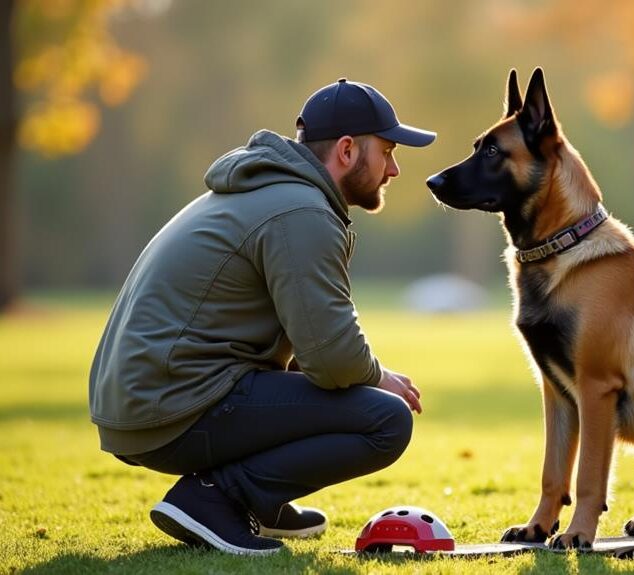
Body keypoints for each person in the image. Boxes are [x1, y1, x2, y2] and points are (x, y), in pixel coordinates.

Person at [88, 78, 436, 555]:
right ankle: (216, 499)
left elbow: (308, 346)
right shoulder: (301, 212)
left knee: (346, 396)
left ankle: (260, 500)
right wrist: (378, 377)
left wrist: (362, 373)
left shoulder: (273, 194)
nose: (394, 169)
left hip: (152, 396)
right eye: (389, 151)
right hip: (172, 401)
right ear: (348, 150)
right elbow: (331, 358)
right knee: (386, 420)